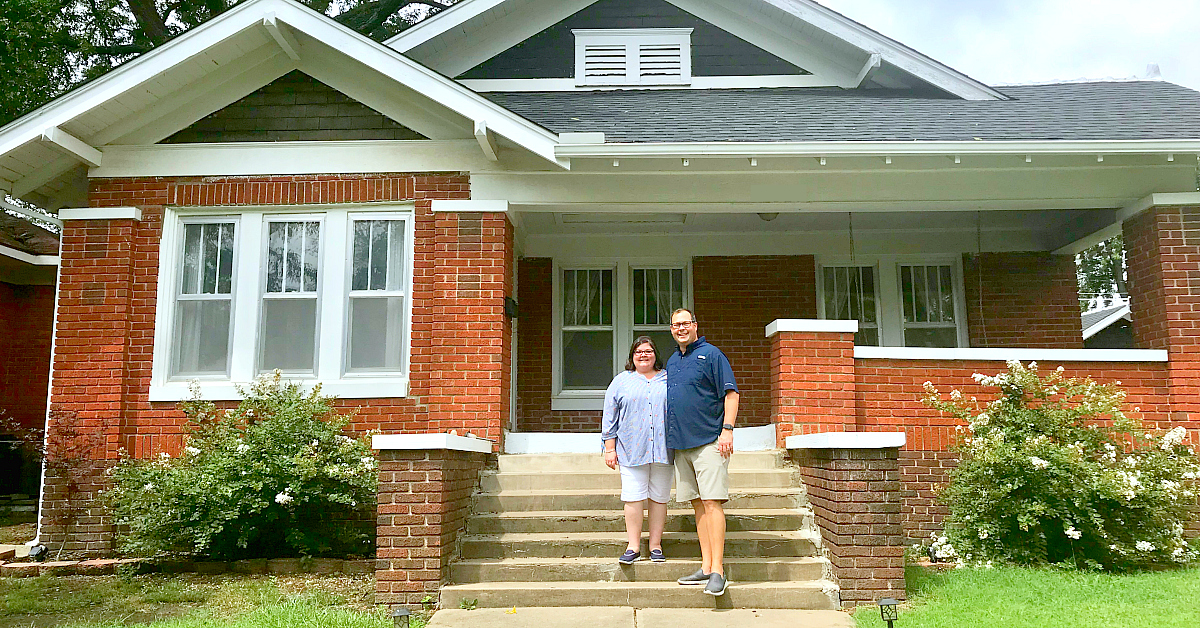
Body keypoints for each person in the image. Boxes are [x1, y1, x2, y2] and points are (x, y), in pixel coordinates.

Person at [665, 308, 739, 596]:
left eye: (685, 323)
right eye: (675, 325)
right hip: (681, 445)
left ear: (695, 325)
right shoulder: (672, 361)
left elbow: (731, 394)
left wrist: (727, 430)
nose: (681, 328)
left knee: (712, 503)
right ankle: (706, 566)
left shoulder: (712, 355)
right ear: (671, 330)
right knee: (697, 504)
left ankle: (719, 571)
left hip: (710, 441)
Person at [601, 336, 671, 564]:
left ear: (655, 354)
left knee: (659, 498)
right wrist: (609, 448)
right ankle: (633, 546)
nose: (643, 355)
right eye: (639, 351)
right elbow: (610, 415)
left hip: (663, 449)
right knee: (633, 497)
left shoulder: (668, 379)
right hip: (631, 449)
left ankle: (655, 545)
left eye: (648, 351)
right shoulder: (621, 382)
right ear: (632, 356)